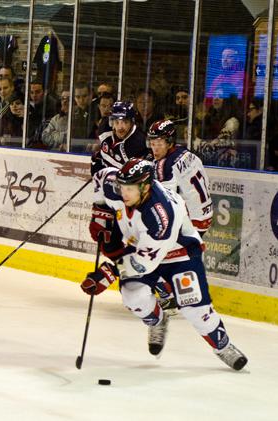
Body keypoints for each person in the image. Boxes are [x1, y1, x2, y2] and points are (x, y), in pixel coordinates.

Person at [83, 159, 248, 370]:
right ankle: (157, 321)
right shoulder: (116, 184)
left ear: (145, 187)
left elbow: (143, 264)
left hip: (179, 254)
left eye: (130, 189)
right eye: (122, 187)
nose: (124, 193)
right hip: (143, 248)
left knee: (194, 309)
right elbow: (101, 177)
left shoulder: (160, 216)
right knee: (133, 295)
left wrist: (110, 271)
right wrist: (100, 212)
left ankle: (223, 346)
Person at [148, 119, 214, 312]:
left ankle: (171, 296)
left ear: (169, 141)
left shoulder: (163, 165)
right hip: (205, 215)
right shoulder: (187, 154)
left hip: (190, 223)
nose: (155, 148)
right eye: (152, 143)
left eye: (159, 143)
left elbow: (164, 201)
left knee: (148, 252)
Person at [91, 101, 149, 175]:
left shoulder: (139, 143)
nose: (120, 127)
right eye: (117, 122)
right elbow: (99, 155)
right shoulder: (104, 127)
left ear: (132, 123)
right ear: (112, 123)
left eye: (125, 122)